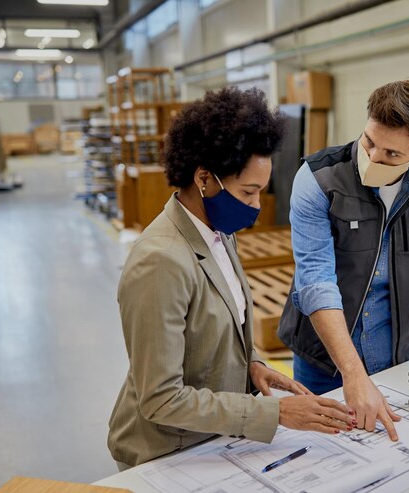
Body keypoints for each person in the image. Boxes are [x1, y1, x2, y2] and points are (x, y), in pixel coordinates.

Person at [108, 87, 354, 469]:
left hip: (212, 437)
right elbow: (160, 398)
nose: (256, 206)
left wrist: (253, 365)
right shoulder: (160, 262)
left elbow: (215, 330)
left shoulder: (218, 233)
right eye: (248, 192)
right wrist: (277, 414)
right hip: (165, 451)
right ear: (204, 178)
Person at [278, 79, 409, 442]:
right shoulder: (318, 179)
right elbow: (316, 282)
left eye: (391, 154)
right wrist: (353, 374)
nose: (373, 158)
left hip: (399, 357)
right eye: (369, 142)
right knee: (323, 456)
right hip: (324, 359)